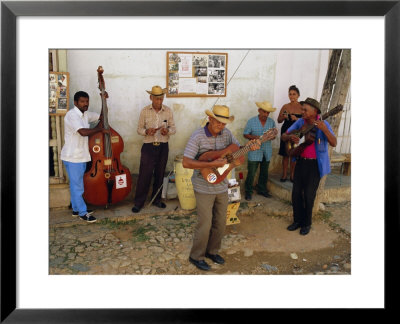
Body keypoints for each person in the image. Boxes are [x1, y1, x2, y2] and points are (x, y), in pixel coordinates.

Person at [182, 105, 260, 271]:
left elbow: (237, 152)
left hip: (221, 184)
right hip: (203, 186)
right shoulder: (198, 136)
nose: (221, 126)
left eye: (224, 123)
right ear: (210, 119)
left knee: (220, 221)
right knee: (205, 223)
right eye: (218, 122)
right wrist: (211, 163)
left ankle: (212, 251)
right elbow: (186, 162)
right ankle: (196, 256)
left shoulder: (227, 134)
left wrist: (249, 147)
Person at [282, 97, 337, 235]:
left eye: (305, 110)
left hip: (314, 165)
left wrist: (325, 130)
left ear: (315, 111)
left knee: (308, 195)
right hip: (300, 162)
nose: (302, 112)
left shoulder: (323, 124)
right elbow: (284, 135)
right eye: (302, 109)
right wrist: (290, 138)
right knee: (295, 194)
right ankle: (297, 220)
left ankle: (307, 223)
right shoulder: (301, 122)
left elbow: (334, 143)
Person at [61, 91, 108, 223]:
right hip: (72, 156)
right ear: (76, 103)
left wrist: (104, 101)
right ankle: (83, 212)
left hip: (81, 156)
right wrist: (100, 130)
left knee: (76, 185)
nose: (85, 104)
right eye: (82, 101)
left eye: (87, 101)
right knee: (78, 186)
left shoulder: (85, 114)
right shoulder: (72, 115)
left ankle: (76, 210)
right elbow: (82, 132)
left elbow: (102, 117)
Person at [132, 86, 176, 213]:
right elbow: (139, 129)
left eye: (161, 99)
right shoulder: (144, 111)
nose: (159, 102)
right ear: (151, 98)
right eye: (157, 99)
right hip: (148, 146)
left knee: (160, 173)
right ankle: (139, 202)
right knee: (144, 175)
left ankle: (157, 200)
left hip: (163, 146)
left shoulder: (168, 111)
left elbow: (173, 129)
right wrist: (147, 131)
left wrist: (167, 131)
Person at [243, 101, 277, 201]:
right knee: (251, 173)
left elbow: (274, 135)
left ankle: (262, 189)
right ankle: (248, 191)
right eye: (264, 112)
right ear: (259, 110)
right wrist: (257, 138)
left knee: (264, 172)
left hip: (266, 151)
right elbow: (245, 134)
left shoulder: (271, 122)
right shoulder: (251, 121)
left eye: (268, 113)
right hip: (254, 151)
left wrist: (271, 137)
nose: (266, 114)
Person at [277, 85, 303, 182]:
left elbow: (306, 121)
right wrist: (283, 117)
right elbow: (279, 120)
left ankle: (292, 175)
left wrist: (297, 119)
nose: (292, 96)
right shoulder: (285, 106)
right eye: (290, 94)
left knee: (293, 154)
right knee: (285, 154)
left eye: (294, 94)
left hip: (296, 132)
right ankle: (284, 175)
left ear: (298, 95)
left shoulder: (302, 107)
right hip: (285, 132)